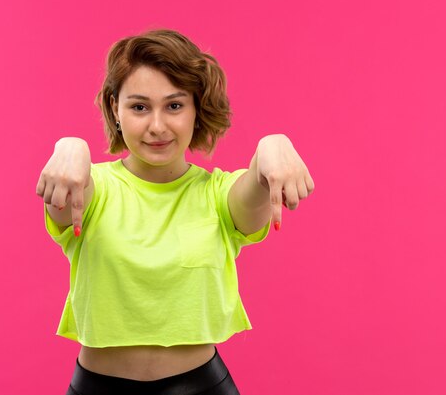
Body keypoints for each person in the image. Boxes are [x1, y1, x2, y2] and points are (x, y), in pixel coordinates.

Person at [36, 28, 315, 395]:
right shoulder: (91, 188)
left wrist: (273, 144)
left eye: (174, 105)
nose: (157, 126)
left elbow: (255, 185)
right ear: (114, 109)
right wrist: (69, 145)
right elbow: (68, 192)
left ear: (196, 110)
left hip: (201, 386)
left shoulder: (218, 195)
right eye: (139, 107)